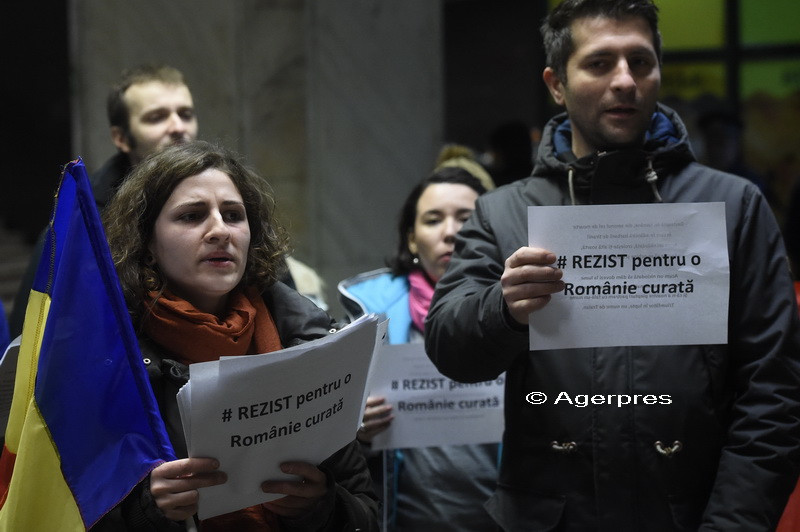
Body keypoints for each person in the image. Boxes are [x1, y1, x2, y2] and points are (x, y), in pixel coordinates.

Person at [424, 0, 800, 530]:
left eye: (640, 62)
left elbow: (774, 394)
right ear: (556, 84)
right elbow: (448, 349)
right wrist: (503, 309)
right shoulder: (505, 210)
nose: (625, 80)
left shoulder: (733, 206)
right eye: (600, 63)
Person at [94, 140, 379, 531]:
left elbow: (367, 511)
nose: (219, 230)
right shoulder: (107, 355)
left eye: (233, 215)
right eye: (192, 216)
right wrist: (146, 511)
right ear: (148, 242)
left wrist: (321, 506)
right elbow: (60, 512)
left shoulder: (306, 338)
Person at [338, 167, 499, 531]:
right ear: (412, 239)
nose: (451, 232)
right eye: (433, 219)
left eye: (466, 218)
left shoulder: (521, 310)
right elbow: (331, 445)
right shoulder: (367, 319)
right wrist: (352, 426)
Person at [8, 64, 198, 338]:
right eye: (157, 117)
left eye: (186, 114)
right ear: (121, 138)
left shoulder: (226, 194)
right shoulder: (81, 222)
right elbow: (28, 338)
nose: (179, 127)